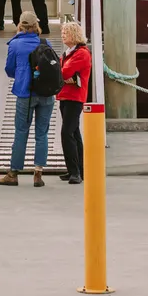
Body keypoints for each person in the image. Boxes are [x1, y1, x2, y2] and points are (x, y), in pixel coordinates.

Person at [0, 12, 55, 187]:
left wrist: (22, 76)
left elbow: (9, 69)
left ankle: (13, 173)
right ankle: (38, 173)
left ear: (21, 26)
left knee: (21, 132)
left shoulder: (15, 44)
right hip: (46, 94)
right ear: (35, 26)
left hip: (25, 94)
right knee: (42, 133)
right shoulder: (45, 43)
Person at [58, 20, 92, 185]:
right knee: (74, 133)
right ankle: (79, 169)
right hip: (66, 96)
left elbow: (64, 72)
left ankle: (74, 172)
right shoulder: (69, 53)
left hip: (74, 97)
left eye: (66, 32)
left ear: (74, 35)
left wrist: (58, 73)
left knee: (66, 133)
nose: (63, 35)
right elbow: (64, 74)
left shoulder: (81, 53)